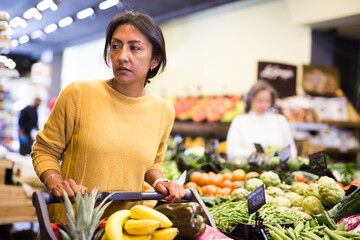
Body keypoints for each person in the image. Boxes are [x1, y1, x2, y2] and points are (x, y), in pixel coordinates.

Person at [31, 12, 185, 222]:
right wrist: (55, 181)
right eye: (116, 46)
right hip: (72, 223)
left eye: (135, 47)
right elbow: (44, 149)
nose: (122, 56)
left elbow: (153, 163)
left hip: (125, 226)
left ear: (155, 60)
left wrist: (160, 182)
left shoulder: (163, 111)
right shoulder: (79, 93)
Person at [226, 80, 297, 160]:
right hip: (248, 171)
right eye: (260, 100)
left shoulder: (280, 120)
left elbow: (292, 151)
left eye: (267, 101)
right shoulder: (240, 121)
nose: (264, 105)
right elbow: (232, 152)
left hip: (277, 170)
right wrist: (256, 153)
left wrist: (278, 156)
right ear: (250, 100)